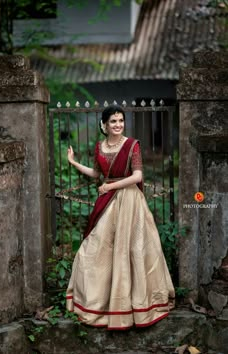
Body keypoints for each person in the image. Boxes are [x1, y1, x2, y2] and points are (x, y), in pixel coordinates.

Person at [66, 104, 175, 330]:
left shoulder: (131, 145)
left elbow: (137, 176)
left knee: (133, 251)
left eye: (121, 121)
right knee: (94, 250)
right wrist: (74, 163)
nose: (118, 125)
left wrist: (109, 187)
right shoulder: (99, 147)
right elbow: (97, 174)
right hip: (109, 203)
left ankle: (136, 307)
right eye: (113, 121)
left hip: (130, 202)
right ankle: (100, 304)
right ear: (104, 125)